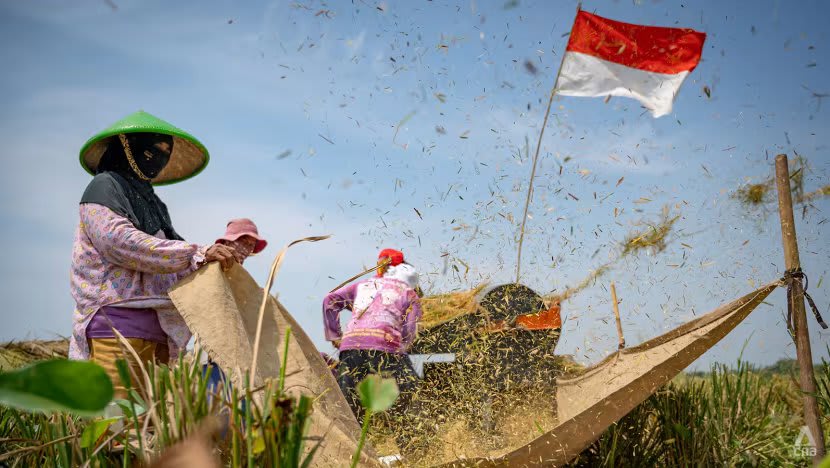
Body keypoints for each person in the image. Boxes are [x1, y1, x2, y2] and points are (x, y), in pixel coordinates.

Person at [69, 111, 240, 399]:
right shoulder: (104, 186)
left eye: (165, 152)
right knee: (116, 427)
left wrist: (209, 264)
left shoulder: (153, 203)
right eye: (152, 150)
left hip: (159, 329)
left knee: (148, 429)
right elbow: (120, 243)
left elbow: (172, 263)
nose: (159, 158)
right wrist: (195, 253)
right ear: (126, 145)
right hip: (116, 326)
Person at [322, 248, 422, 451]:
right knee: (408, 402)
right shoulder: (409, 293)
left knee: (350, 410)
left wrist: (335, 336)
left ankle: (346, 456)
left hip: (351, 349)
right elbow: (410, 329)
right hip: (386, 350)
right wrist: (402, 346)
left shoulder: (363, 285)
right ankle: (415, 453)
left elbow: (329, 300)